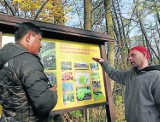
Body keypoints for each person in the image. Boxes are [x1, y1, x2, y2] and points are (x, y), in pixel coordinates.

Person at [0, 22, 57, 122]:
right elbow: (44, 103)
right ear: (28, 37)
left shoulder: (5, 59)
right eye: (39, 40)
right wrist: (53, 93)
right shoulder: (28, 61)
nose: (41, 45)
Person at [92, 45, 160, 122]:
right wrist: (104, 64)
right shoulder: (130, 74)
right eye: (129, 56)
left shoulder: (156, 76)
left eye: (133, 55)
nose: (130, 58)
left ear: (144, 55)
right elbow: (114, 73)